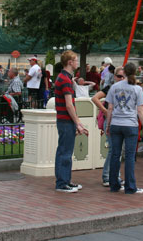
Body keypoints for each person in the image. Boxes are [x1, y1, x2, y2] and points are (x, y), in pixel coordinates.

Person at [106, 62, 143, 194]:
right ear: (135, 73)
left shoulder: (114, 87)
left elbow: (110, 108)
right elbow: (140, 110)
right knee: (129, 156)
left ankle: (114, 184)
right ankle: (130, 186)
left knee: (115, 155)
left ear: (123, 72)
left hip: (116, 123)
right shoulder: (137, 89)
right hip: (130, 124)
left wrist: (108, 124)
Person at [54, 50, 89, 193]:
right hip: (65, 121)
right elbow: (69, 104)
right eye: (75, 60)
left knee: (64, 150)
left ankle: (65, 180)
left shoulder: (63, 78)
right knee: (65, 152)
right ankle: (62, 183)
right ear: (70, 62)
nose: (77, 63)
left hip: (64, 120)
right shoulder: (66, 80)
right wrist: (78, 122)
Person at [91, 68, 125, 187]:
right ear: (114, 76)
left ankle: (114, 176)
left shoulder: (127, 88)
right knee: (113, 150)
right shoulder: (110, 88)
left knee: (117, 150)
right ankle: (108, 176)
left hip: (120, 121)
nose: (121, 78)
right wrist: (105, 111)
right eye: (119, 76)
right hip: (110, 121)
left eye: (123, 76)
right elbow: (95, 98)